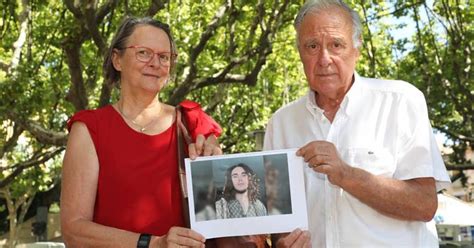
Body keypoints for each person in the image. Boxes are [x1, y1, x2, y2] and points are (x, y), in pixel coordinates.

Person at [263, 0, 451, 247]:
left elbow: (425, 205)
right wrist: (282, 243)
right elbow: (277, 221)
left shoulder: (400, 101)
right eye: (312, 46)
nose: (324, 59)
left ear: (356, 49)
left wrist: (346, 174)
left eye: (336, 45)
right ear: (299, 52)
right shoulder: (281, 123)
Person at [60, 16, 223, 248]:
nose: (155, 63)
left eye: (164, 57)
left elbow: (223, 205)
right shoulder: (90, 129)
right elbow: (74, 230)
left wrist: (217, 166)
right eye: (144, 53)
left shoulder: (192, 122)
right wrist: (152, 244)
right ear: (117, 59)